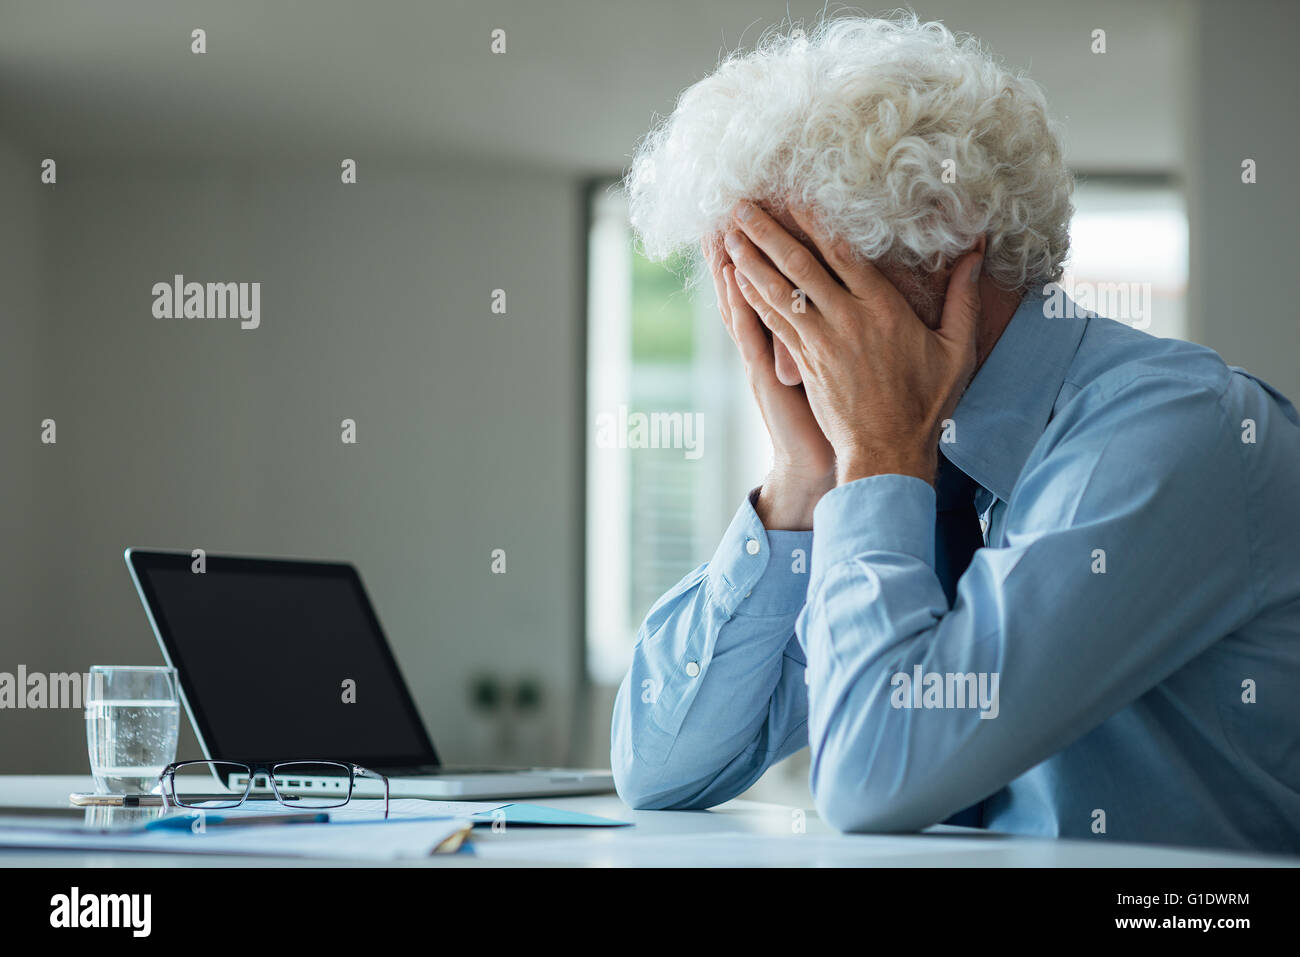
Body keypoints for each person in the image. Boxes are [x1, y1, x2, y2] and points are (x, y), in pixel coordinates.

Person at [609, 14, 1300, 851]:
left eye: (803, 291)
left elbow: (875, 775)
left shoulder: (1170, 433)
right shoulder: (917, 459)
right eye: (754, 309)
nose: (784, 368)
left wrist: (876, 461)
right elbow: (658, 767)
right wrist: (802, 479)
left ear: (943, 235)